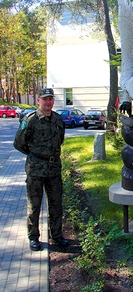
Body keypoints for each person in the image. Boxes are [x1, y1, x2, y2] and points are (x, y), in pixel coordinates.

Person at [14, 88, 69, 251]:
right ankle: (34, 237)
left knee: (56, 204)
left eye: (50, 99)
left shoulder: (58, 119)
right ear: (39, 101)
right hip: (36, 170)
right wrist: (35, 156)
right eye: (45, 99)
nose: (48, 102)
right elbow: (19, 143)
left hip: (53, 169)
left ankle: (57, 236)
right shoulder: (30, 120)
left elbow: (60, 141)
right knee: (34, 205)